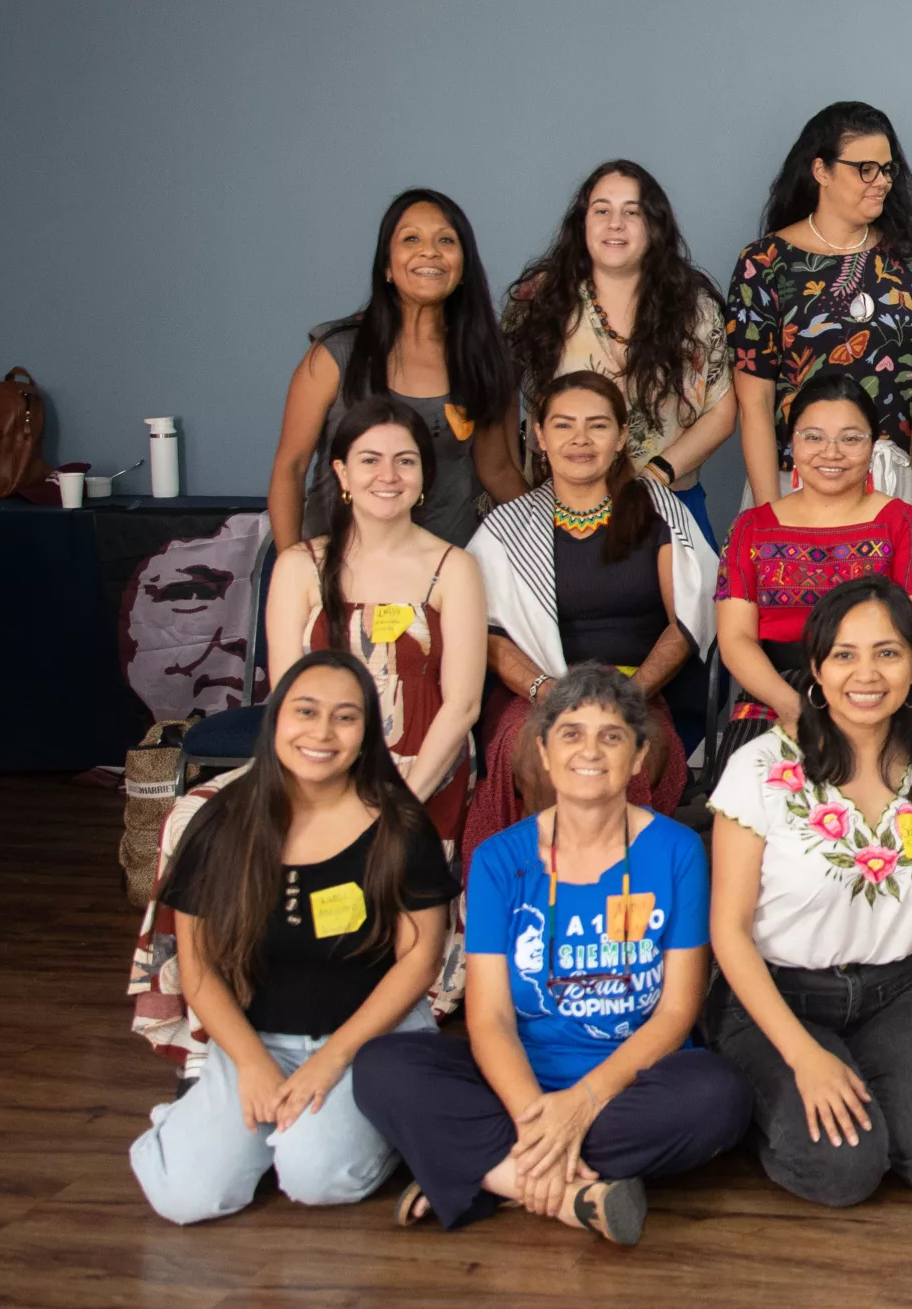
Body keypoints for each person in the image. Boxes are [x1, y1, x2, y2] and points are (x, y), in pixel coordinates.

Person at [354, 666, 751, 1243]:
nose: (590, 750)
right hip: (519, 1077)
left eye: (611, 736)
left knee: (720, 1096)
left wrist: (583, 1104)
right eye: (571, 734)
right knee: (382, 1066)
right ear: (542, 751)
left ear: (639, 756)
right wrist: (535, 1117)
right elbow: (488, 1016)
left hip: (635, 1081)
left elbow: (675, 1013)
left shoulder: (679, 850)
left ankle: (486, 1170)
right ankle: (565, 1194)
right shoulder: (496, 860)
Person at [705, 579, 912, 1206]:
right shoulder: (761, 772)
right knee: (842, 1170)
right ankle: (757, 1097)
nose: (866, 674)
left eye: (887, 652)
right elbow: (729, 932)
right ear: (816, 671)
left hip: (895, 991)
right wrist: (804, 1057)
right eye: (844, 655)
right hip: (778, 993)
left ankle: (859, 1081)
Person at [129, 653, 454, 1223]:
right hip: (256, 1038)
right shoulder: (218, 821)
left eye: (345, 717)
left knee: (315, 1177)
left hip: (369, 1043)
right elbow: (198, 969)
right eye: (305, 711)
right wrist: (252, 1063)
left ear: (367, 733)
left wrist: (331, 1059)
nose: (322, 733)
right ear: (276, 719)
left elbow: (421, 960)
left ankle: (387, 1130)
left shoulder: (399, 826)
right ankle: (196, 1120)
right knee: (184, 1198)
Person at [462, 373, 718, 861]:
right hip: (537, 694)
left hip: (634, 691)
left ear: (621, 436)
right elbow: (487, 633)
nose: (580, 439)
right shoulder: (507, 526)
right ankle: (549, 899)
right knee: (542, 758)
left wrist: (631, 693)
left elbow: (688, 620)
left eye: (597, 426)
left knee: (632, 757)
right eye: (563, 425)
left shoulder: (658, 511)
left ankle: (626, 904)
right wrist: (546, 692)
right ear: (539, 436)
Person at [260, 397, 486, 840]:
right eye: (370, 460)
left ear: (423, 476)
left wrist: (399, 803)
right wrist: (329, 797)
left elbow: (463, 706)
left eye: (405, 461)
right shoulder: (299, 565)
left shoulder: (454, 568)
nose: (389, 476)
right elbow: (286, 699)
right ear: (342, 473)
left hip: (425, 772)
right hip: (317, 766)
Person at [727, 102, 912, 514]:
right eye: (865, 168)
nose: (881, 181)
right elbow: (754, 405)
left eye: (887, 169)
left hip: (898, 483)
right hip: (799, 484)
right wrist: (771, 516)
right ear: (821, 171)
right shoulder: (765, 263)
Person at [268, 188, 522, 549]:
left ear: (463, 265)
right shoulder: (335, 353)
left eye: (446, 240)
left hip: (444, 579)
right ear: (387, 266)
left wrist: (563, 536)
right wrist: (292, 576)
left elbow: (497, 471)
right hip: (339, 575)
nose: (429, 251)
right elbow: (289, 469)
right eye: (411, 238)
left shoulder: (483, 358)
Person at [503, 160, 734, 540]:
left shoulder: (694, 307)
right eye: (602, 210)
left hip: (669, 502)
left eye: (632, 212)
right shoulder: (540, 297)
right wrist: (510, 484)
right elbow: (497, 398)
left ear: (655, 227)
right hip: (560, 507)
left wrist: (651, 481)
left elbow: (721, 412)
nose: (616, 223)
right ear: (582, 223)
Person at [714, 380, 912, 760]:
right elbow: (735, 639)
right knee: (754, 796)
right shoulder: (751, 528)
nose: (831, 453)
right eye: (813, 437)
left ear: (872, 444)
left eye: (850, 439)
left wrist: (859, 702)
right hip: (776, 690)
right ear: (792, 443)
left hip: (877, 690)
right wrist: (794, 708)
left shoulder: (903, 523)